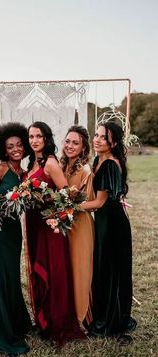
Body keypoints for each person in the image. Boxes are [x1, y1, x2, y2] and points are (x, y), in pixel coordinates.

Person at [25, 121, 85, 346]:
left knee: (53, 271)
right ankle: (43, 319)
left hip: (49, 226)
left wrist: (56, 217)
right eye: (31, 136)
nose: (34, 140)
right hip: (33, 224)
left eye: (38, 136)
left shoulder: (50, 163)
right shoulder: (33, 163)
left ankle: (57, 321)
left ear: (47, 138)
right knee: (39, 269)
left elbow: (67, 195)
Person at [80, 122, 137, 341]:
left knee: (112, 271)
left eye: (103, 137)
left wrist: (69, 206)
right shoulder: (98, 160)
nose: (97, 139)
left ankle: (112, 319)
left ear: (113, 142)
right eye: (96, 135)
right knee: (103, 268)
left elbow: (99, 203)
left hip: (113, 226)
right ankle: (104, 311)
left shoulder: (110, 165)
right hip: (104, 222)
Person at [0, 122, 32, 355]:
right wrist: (2, 203)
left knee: (11, 275)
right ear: (4, 149)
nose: (16, 149)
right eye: (10, 146)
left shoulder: (25, 173)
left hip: (13, 231)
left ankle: (14, 321)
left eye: (19, 145)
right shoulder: (0, 169)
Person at [60, 125, 94, 331]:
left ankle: (81, 317)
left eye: (76, 143)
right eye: (68, 141)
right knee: (66, 269)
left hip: (80, 225)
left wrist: (70, 206)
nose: (70, 146)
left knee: (80, 269)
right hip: (63, 223)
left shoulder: (85, 170)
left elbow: (89, 200)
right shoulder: (61, 166)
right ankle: (67, 311)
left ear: (83, 148)